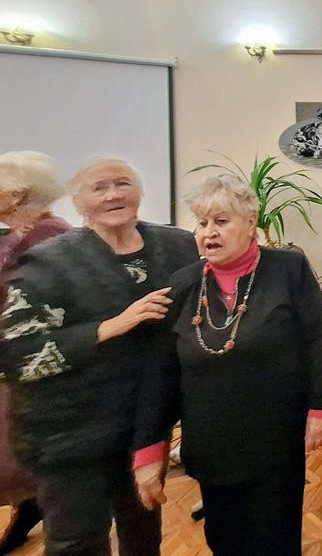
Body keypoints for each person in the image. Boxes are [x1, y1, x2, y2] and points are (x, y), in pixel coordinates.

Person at [0, 158, 198, 556]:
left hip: (145, 425)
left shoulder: (178, 245)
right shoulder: (49, 261)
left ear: (139, 192)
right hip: (71, 434)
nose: (113, 195)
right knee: (77, 542)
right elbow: (16, 356)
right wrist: (108, 327)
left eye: (122, 183)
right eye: (99, 187)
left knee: (143, 535)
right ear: (79, 203)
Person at [133, 174, 322, 556]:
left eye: (221, 221)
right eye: (202, 222)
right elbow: (162, 372)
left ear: (251, 222)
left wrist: (321, 406)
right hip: (212, 443)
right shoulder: (183, 284)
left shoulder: (288, 269)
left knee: (275, 541)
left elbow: (316, 338)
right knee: (224, 540)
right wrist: (148, 448)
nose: (209, 232)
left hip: (275, 439)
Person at [0, 152, 71, 553]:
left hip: (37, 363)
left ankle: (47, 515)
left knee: (24, 455)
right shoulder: (20, 233)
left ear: (17, 194)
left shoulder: (48, 234)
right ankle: (30, 509)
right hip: (16, 359)